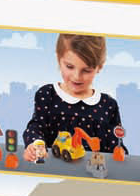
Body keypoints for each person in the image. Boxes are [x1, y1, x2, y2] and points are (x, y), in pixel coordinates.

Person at [22, 33, 125, 163]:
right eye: (70, 67)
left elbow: (115, 144)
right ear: (59, 59)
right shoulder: (47, 95)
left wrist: (120, 155)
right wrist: (36, 144)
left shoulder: (108, 105)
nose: (77, 77)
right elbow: (36, 127)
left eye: (86, 70)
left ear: (99, 67)